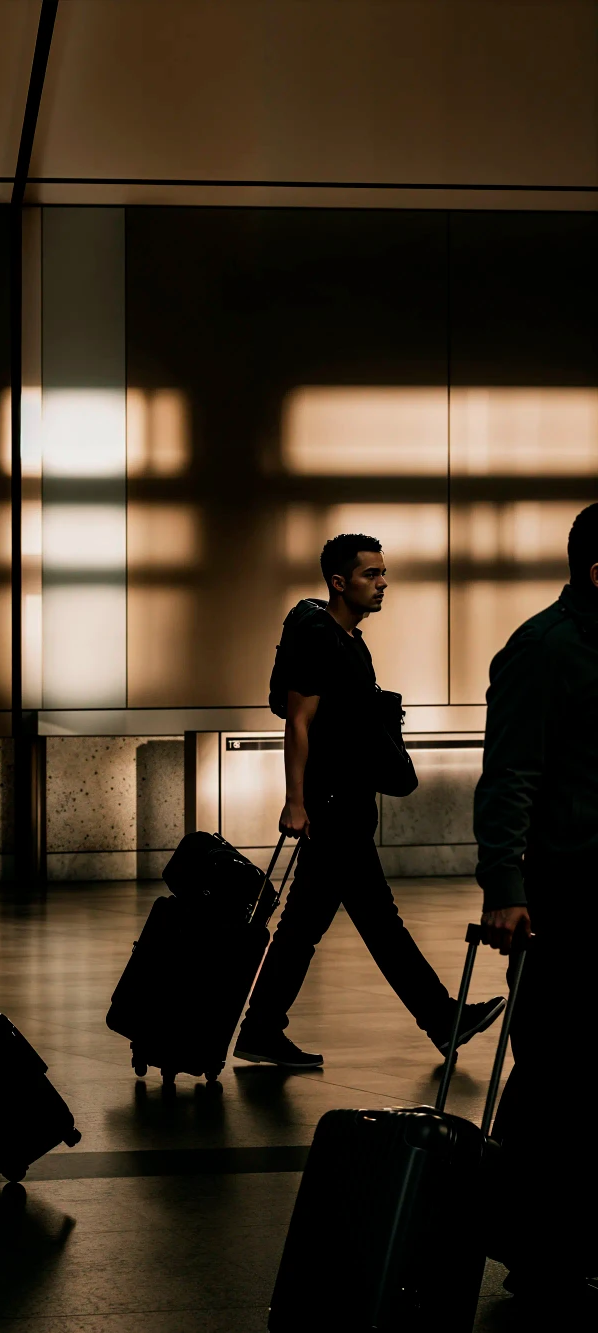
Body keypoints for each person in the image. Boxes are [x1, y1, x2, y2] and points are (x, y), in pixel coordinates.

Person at [234, 533, 503, 1068]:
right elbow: (298, 721)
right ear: (339, 582)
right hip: (330, 806)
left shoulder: (348, 641)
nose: (383, 584)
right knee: (375, 922)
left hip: (345, 802)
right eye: (370, 575)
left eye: (383, 573)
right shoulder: (318, 636)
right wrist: (296, 801)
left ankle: (261, 1029)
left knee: (309, 926)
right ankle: (440, 1019)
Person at [474, 503, 598, 1317]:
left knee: (581, 1074)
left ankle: (555, 1236)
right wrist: (506, 887)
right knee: (559, 1070)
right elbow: (511, 772)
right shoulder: (545, 647)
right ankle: (533, 1244)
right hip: (566, 894)